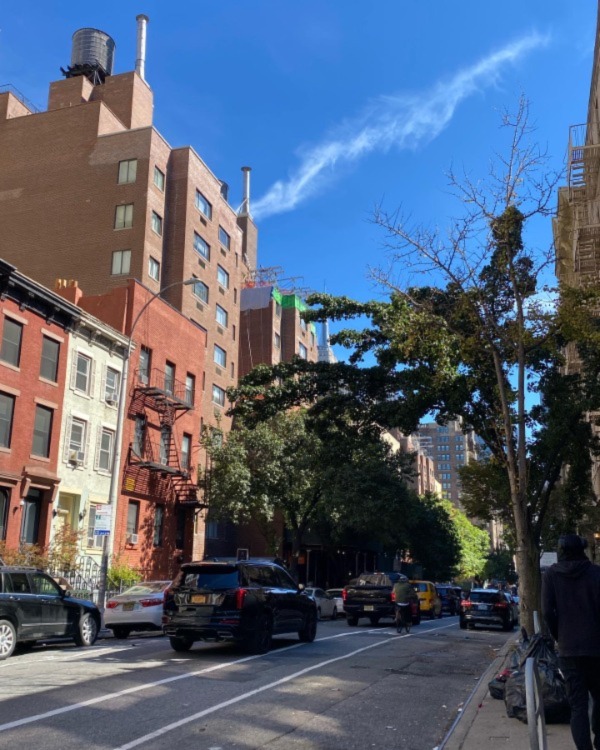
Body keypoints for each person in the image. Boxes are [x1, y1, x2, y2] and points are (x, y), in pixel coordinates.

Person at [542, 534, 600, 750]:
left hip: (569, 648)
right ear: (583, 549)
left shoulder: (551, 576)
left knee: (578, 706)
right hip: (596, 647)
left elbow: (548, 612)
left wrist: (559, 635)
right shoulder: (596, 573)